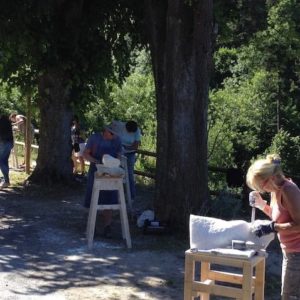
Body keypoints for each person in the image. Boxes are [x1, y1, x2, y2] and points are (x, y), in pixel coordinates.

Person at [246, 154, 300, 299]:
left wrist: (272, 228)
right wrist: (262, 205)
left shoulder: (289, 190)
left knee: (289, 296)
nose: (261, 190)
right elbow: (280, 216)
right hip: (290, 251)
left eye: (260, 186)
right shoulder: (275, 190)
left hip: (297, 252)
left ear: (270, 178)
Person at [83, 125, 122, 238]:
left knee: (109, 198)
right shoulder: (94, 138)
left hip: (111, 172)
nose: (114, 137)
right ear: (107, 132)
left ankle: (107, 226)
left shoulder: (117, 140)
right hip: (95, 170)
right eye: (113, 135)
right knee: (93, 198)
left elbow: (119, 155)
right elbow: (86, 153)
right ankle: (92, 226)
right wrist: (96, 161)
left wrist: (114, 164)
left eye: (115, 135)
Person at [109, 120, 141, 200]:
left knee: (129, 174)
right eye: (129, 131)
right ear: (126, 126)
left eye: (131, 132)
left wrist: (126, 148)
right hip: (119, 151)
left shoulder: (137, 130)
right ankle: (113, 195)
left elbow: (135, 146)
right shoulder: (119, 125)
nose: (130, 133)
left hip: (130, 153)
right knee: (115, 171)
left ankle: (132, 196)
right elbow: (112, 133)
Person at [0, 112, 14, 189]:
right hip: (8, 142)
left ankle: (6, 181)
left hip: (4, 143)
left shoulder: (2, 121)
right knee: (4, 161)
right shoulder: (5, 119)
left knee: (2, 161)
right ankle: (5, 179)